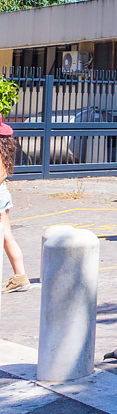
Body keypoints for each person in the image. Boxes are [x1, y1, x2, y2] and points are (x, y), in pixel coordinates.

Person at [0, 116, 29, 293]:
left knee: (6, 236)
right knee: (7, 236)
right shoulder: (4, 147)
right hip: (3, 193)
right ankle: (20, 276)